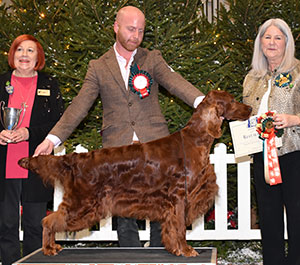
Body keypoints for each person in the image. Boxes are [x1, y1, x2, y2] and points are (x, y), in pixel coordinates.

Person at [34, 6, 205, 248]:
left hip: (155, 148)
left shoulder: (152, 58)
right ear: (116, 27)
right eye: (130, 29)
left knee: (163, 206)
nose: (136, 36)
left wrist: (205, 103)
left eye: (141, 31)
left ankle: (161, 257)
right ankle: (130, 258)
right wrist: (52, 139)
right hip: (118, 149)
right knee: (123, 213)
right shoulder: (98, 66)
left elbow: (176, 83)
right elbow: (80, 105)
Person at [0, 34, 64, 265]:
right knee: (6, 223)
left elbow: (59, 121)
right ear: (12, 55)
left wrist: (29, 133)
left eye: (30, 51)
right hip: (5, 160)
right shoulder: (1, 82)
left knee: (35, 224)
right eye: (19, 50)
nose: (24, 55)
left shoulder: (49, 84)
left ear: (38, 57)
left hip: (38, 159)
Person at [243, 18, 300, 265]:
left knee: (298, 215)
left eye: (278, 38)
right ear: (260, 43)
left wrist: (293, 119)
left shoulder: (298, 72)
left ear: (287, 43)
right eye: (267, 37)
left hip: (294, 153)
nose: (272, 43)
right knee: (268, 216)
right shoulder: (251, 77)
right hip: (261, 155)